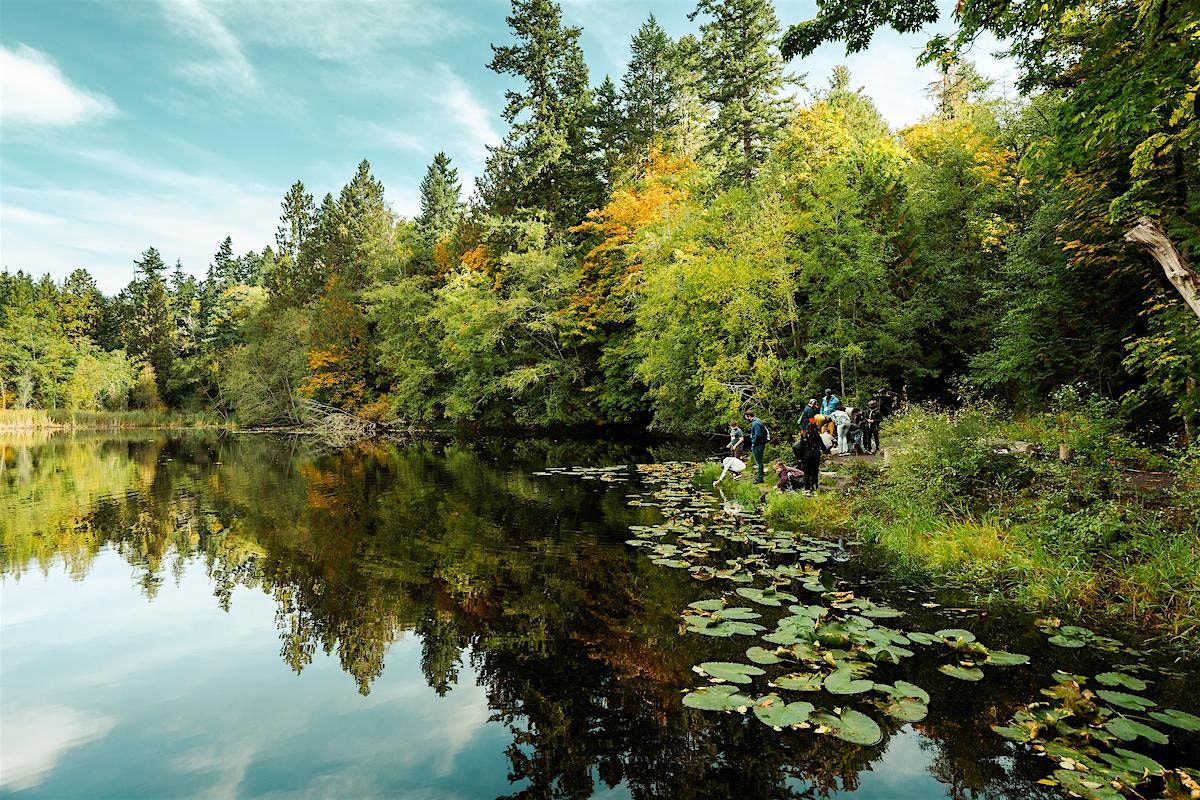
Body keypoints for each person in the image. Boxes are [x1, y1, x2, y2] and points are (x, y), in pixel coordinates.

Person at [792, 422, 831, 493]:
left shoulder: (803, 436)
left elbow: (801, 447)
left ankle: (807, 489)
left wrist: (799, 458)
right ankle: (814, 487)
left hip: (806, 456)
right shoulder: (817, 435)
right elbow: (822, 445)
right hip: (815, 456)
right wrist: (827, 452)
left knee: (806, 473)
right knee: (815, 472)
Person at [745, 410, 768, 483]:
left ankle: (760, 478)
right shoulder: (758, 420)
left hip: (758, 444)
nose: (746, 419)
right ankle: (759, 476)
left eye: (746, 417)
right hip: (760, 443)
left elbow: (758, 435)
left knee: (759, 462)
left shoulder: (755, 423)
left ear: (748, 416)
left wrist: (753, 442)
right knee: (759, 461)